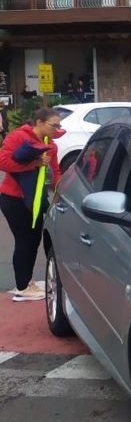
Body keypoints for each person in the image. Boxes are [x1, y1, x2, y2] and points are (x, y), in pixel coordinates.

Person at [0, 108, 62, 301]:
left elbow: (55, 172)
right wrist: (35, 164)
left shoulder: (51, 145)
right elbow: (3, 162)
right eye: (54, 125)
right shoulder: (18, 137)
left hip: (36, 200)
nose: (57, 129)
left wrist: (64, 188)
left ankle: (26, 282)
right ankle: (21, 287)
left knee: (34, 239)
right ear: (39, 123)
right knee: (24, 240)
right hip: (14, 199)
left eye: (59, 125)